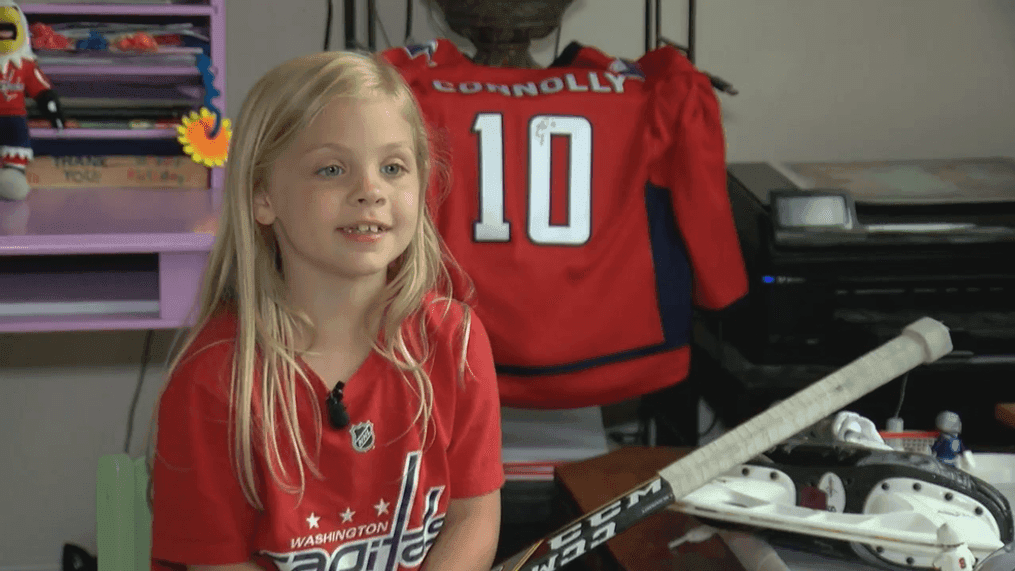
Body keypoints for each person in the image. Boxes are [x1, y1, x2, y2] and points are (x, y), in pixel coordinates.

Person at [146, 50, 504, 571]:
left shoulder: (455, 340)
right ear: (262, 196)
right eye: (332, 169)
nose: (370, 191)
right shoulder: (214, 380)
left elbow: (473, 517)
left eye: (393, 167)